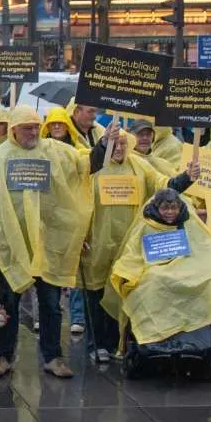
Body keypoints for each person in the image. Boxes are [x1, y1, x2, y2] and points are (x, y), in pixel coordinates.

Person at [0, 105, 94, 379]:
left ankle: (53, 357)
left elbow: (85, 164)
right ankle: (3, 356)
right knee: (7, 304)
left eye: (36, 127)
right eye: (27, 128)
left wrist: (106, 143)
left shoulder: (55, 152)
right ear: (14, 130)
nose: (33, 132)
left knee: (51, 304)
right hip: (12, 247)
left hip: (47, 245)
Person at [79, 123, 166, 367]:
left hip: (128, 244)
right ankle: (96, 343)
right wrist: (80, 234)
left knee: (121, 291)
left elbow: (162, 184)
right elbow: (78, 199)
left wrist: (187, 178)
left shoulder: (139, 166)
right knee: (95, 294)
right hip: (97, 241)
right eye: (114, 143)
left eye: (123, 144)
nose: (119, 148)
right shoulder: (94, 166)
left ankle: (117, 342)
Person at [108, 188, 211, 358]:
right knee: (150, 284)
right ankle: (154, 335)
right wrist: (127, 272)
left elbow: (204, 247)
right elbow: (133, 252)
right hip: (153, 269)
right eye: (165, 208)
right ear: (157, 207)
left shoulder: (189, 222)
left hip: (188, 267)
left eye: (174, 208)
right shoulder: (146, 224)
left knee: (205, 281)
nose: (170, 212)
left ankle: (193, 335)